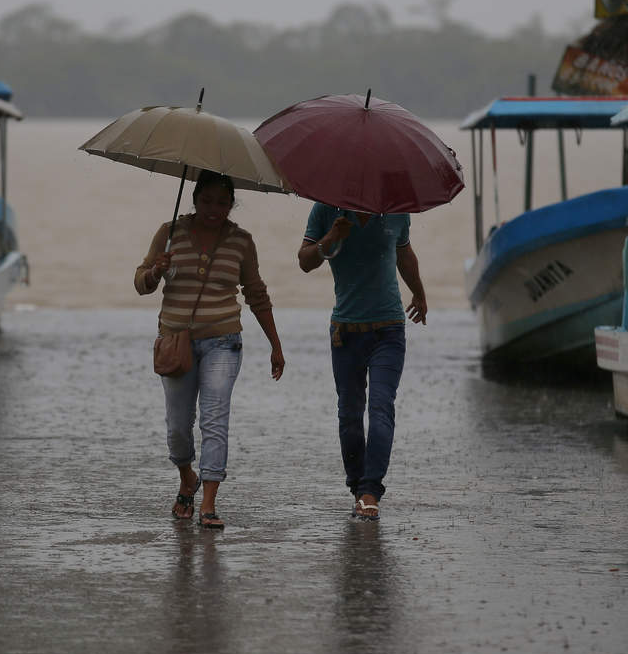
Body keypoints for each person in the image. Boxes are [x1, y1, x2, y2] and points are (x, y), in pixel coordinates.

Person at [135, 170, 284, 530]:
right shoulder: (169, 233)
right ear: (195, 199)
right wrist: (157, 270)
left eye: (222, 203)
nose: (214, 209)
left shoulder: (242, 241)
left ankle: (209, 502)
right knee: (178, 428)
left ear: (232, 204)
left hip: (224, 341)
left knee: (215, 417)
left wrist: (275, 346)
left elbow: (256, 293)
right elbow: (141, 284)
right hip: (176, 342)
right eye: (206, 201)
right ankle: (187, 476)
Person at [298, 203, 427, 521]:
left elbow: (404, 253)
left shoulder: (396, 210)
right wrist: (330, 237)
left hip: (389, 330)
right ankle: (358, 488)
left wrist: (420, 294)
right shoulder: (327, 210)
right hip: (346, 331)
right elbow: (304, 262)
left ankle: (371, 491)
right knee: (350, 416)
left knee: (381, 407)